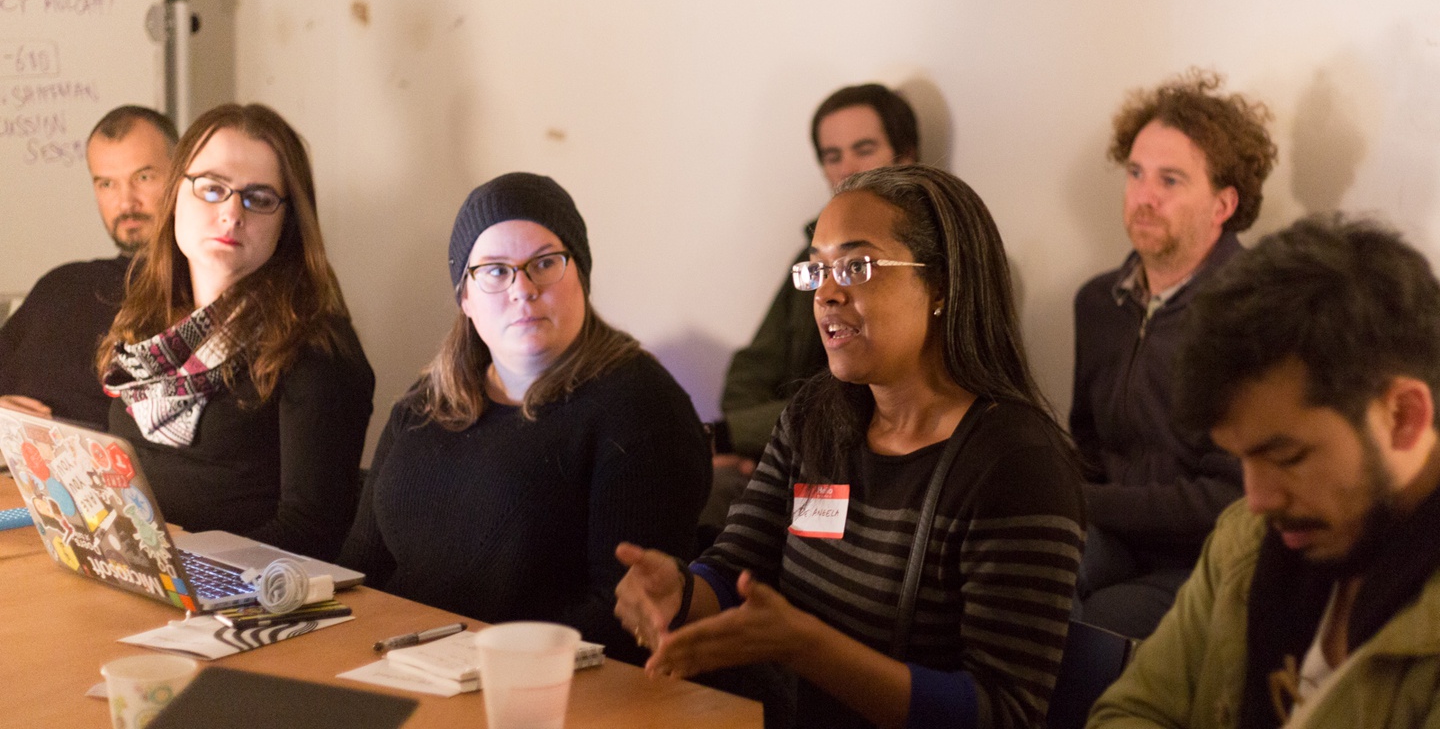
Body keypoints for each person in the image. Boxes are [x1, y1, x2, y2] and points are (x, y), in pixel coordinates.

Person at [617, 165, 1084, 729]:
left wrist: (808, 647)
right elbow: (737, 568)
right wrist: (680, 591)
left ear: (941, 285)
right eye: (816, 270)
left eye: (855, 267)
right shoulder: (815, 418)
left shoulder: (1017, 464)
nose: (827, 293)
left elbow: (1004, 713)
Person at [339, 172, 711, 663]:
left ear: (580, 273)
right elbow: (359, 569)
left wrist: (465, 660)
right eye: (494, 270)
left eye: (544, 263)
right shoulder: (427, 400)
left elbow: (619, 622)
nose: (522, 288)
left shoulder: (641, 409)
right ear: (465, 297)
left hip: (542, 687)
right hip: (399, 667)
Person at [1089, 216, 1440, 729]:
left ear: (1403, 416)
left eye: (1289, 457)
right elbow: (1130, 711)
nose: (1256, 498)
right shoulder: (1244, 543)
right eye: (1241, 458)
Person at [100, 103, 373, 561]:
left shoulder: (317, 348)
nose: (231, 214)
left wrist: (172, 563)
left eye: (259, 198)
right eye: (212, 189)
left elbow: (312, 532)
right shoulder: (144, 322)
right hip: (138, 582)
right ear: (176, 196)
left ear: (287, 221)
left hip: (243, 609)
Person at [1069, 68, 1277, 639]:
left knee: (1092, 629)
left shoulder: (1256, 313)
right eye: (1136, 173)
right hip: (1109, 536)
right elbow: (1086, 441)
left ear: (1223, 204)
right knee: (1018, 578)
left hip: (1203, 560)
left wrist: (1084, 502)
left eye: (1171, 180)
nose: (1144, 197)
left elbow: (1231, 497)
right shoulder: (1098, 302)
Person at [709, 84, 918, 523]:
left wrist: (734, 437)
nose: (846, 169)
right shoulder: (809, 257)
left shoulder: (924, 261)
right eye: (832, 155)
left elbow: (872, 392)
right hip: (792, 448)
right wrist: (758, 449)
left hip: (863, 466)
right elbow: (752, 368)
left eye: (863, 149)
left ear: (905, 157)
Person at [0, 106, 177, 429]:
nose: (126, 202)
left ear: (180, 175)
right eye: (106, 184)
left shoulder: (197, 293)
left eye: (143, 177)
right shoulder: (61, 284)